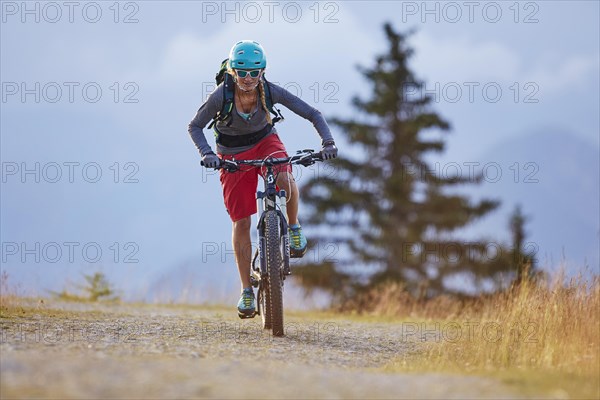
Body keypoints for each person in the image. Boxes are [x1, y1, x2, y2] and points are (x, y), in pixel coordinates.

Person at [188, 40, 338, 318]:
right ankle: (246, 290)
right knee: (241, 220)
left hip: (265, 141)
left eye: (253, 72)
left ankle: (293, 228)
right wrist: (208, 153)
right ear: (232, 71)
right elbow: (195, 126)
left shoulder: (270, 91)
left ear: (262, 71)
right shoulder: (221, 96)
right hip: (230, 154)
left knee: (284, 174)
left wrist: (327, 142)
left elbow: (312, 113)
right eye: (241, 72)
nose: (247, 78)